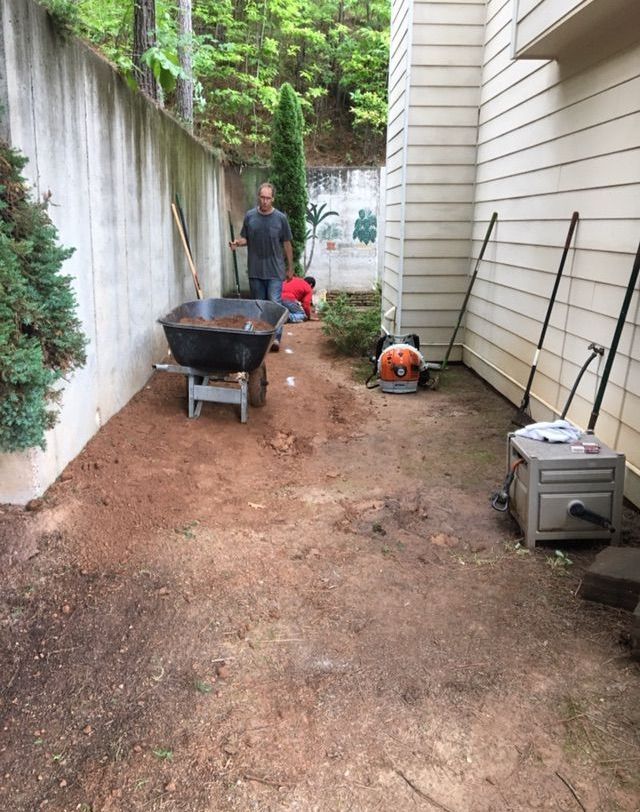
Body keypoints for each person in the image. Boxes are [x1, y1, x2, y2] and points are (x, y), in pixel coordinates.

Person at [229, 182, 293, 351]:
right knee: (259, 305)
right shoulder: (250, 216)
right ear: (258, 197)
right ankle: (262, 338)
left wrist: (290, 267)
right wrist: (237, 242)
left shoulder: (280, 218)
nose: (265, 201)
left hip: (275, 270)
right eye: (262, 197)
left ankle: (276, 339)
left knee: (274, 303)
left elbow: (287, 243)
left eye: (268, 198)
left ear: (273, 199)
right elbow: (246, 238)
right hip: (256, 270)